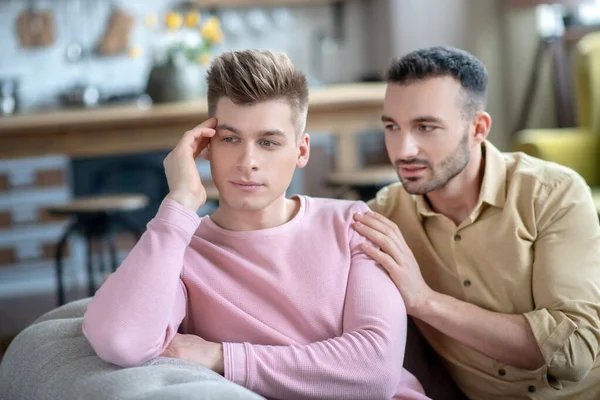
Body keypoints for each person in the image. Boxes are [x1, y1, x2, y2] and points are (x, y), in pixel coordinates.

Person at [82, 49, 428, 400]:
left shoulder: (353, 224)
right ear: (205, 147)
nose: (248, 162)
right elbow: (120, 342)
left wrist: (222, 356)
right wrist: (179, 203)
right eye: (230, 139)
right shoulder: (179, 251)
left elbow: (374, 373)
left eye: (268, 142)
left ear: (301, 151)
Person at [353, 45, 600, 399]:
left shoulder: (553, 194)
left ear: (478, 128)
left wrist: (424, 300)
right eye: (392, 126)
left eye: (426, 127)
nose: (403, 149)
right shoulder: (385, 216)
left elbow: (573, 354)